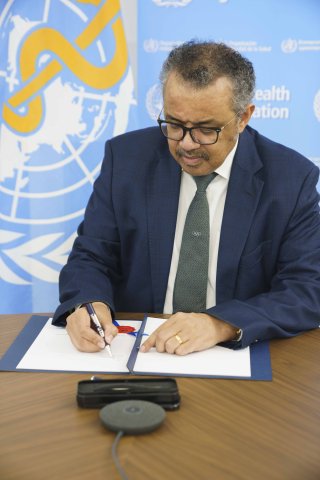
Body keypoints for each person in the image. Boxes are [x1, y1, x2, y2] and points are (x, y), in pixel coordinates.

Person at [52, 40, 320, 355]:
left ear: (243, 117)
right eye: (175, 124)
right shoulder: (126, 160)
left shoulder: (289, 179)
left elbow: (306, 290)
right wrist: (88, 302)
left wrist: (221, 323)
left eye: (206, 130)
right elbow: (92, 256)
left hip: (231, 353)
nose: (187, 144)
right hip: (135, 349)